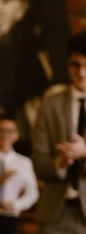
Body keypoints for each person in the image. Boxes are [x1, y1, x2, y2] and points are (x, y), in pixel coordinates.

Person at [32, 31, 86, 232]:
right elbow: (38, 162)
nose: (81, 72)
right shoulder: (50, 104)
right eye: (76, 65)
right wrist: (59, 163)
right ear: (67, 64)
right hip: (55, 215)